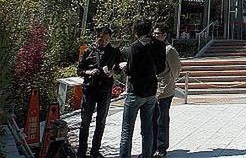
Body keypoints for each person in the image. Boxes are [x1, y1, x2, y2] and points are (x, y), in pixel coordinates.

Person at [119, 19, 167, 158]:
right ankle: (147, 155)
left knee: (127, 130)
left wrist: (123, 67)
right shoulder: (159, 44)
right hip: (151, 91)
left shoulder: (135, 46)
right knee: (148, 130)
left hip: (135, 91)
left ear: (136, 31)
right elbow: (161, 67)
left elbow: (130, 71)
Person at [76, 26, 122, 158]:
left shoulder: (114, 51)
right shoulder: (88, 51)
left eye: (107, 40)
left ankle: (95, 151)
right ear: (97, 38)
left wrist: (112, 71)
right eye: (101, 39)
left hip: (105, 89)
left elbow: (119, 66)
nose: (104, 42)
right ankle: (81, 151)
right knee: (85, 121)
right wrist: (89, 72)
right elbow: (79, 70)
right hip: (90, 89)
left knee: (101, 121)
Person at [152, 25, 182, 158]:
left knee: (161, 119)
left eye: (158, 33)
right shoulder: (152, 48)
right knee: (152, 119)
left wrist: (167, 81)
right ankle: (152, 146)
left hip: (164, 90)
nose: (155, 35)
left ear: (164, 35)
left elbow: (176, 69)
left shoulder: (169, 50)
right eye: (154, 33)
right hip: (152, 89)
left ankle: (161, 147)